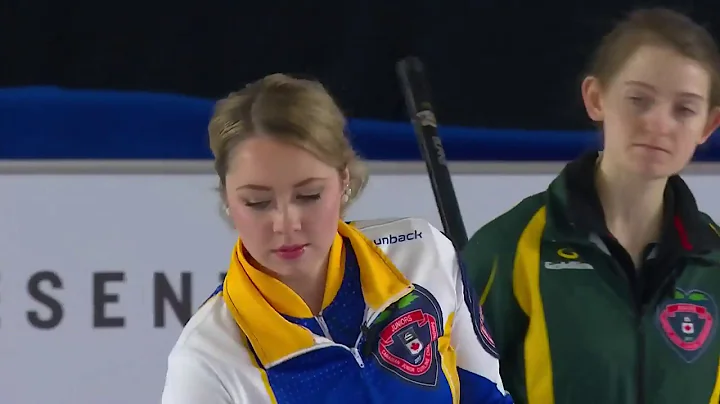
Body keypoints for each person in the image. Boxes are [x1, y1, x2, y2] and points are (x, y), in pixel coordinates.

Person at [160, 73, 512, 403]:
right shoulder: (207, 358)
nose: (286, 224)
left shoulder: (422, 253)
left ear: (344, 180)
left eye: (309, 195)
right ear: (226, 198)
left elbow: (486, 397)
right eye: (258, 202)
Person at [461, 7, 720, 404]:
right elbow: (455, 386)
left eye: (684, 109)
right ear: (596, 98)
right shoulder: (510, 248)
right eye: (639, 99)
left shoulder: (713, 257)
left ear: (707, 126)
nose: (659, 123)